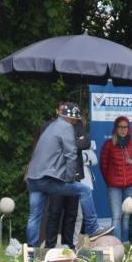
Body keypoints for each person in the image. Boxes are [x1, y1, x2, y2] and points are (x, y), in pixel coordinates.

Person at [25, 103, 112, 247]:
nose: (76, 122)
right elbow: (71, 155)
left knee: (34, 216)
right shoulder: (66, 127)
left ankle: (30, 252)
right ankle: (93, 228)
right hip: (48, 178)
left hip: (33, 178)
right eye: (76, 120)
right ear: (71, 118)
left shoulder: (50, 126)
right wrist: (70, 179)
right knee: (84, 190)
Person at [44, 101, 91, 248]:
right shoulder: (53, 126)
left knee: (71, 214)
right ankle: (49, 247)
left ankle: (68, 246)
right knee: (54, 212)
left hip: (74, 177)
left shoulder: (78, 125)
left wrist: (69, 143)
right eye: (73, 118)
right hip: (56, 176)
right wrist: (75, 141)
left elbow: (86, 143)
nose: (75, 121)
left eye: (77, 118)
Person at [99, 115, 132, 243]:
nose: (123, 130)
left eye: (125, 127)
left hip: (130, 185)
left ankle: (125, 243)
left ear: (129, 129)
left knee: (126, 216)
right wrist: (110, 180)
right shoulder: (108, 145)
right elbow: (103, 165)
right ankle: (117, 245)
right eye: (120, 127)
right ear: (116, 128)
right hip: (114, 186)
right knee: (116, 216)